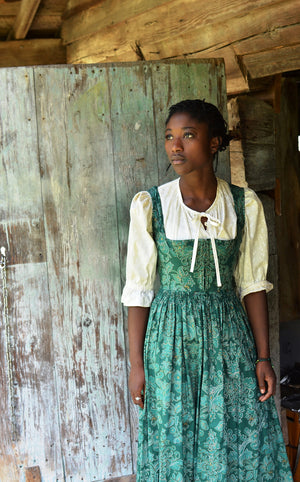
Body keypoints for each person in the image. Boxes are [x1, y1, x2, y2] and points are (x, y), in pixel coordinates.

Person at [121, 99, 292, 481]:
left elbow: (252, 286)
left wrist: (263, 358)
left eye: (188, 135)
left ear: (214, 144)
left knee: (235, 431)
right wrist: (137, 366)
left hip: (228, 335)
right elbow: (139, 290)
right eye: (169, 136)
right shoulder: (152, 205)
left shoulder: (243, 204)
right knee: (174, 435)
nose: (175, 146)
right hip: (171, 339)